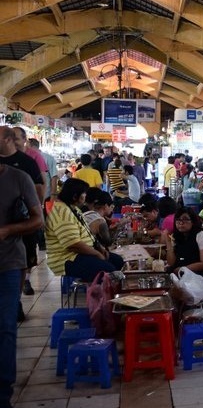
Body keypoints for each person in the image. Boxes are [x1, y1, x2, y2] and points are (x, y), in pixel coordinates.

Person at [0, 161, 43, 404]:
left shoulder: (19, 178)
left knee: (5, 327)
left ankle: (3, 393)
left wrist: (7, 230)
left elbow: (37, 221)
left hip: (7, 263)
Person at [45, 178, 124, 282]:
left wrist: (100, 249)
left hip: (80, 254)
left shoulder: (73, 208)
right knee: (110, 271)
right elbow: (73, 244)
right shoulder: (62, 212)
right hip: (67, 258)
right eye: (84, 194)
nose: (85, 196)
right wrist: (96, 254)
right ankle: (101, 296)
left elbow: (87, 233)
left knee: (118, 261)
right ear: (75, 196)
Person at [0, 127, 45, 301]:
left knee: (25, 258)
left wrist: (34, 201)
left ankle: (22, 286)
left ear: (8, 140)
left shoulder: (26, 163)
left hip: (19, 231)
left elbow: (40, 187)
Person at [166, 207, 203, 285]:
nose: (181, 223)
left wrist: (183, 269)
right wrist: (168, 243)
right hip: (183, 271)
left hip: (202, 273)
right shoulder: (176, 236)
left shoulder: (201, 235)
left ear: (193, 221)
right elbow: (171, 263)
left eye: (185, 219)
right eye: (178, 220)